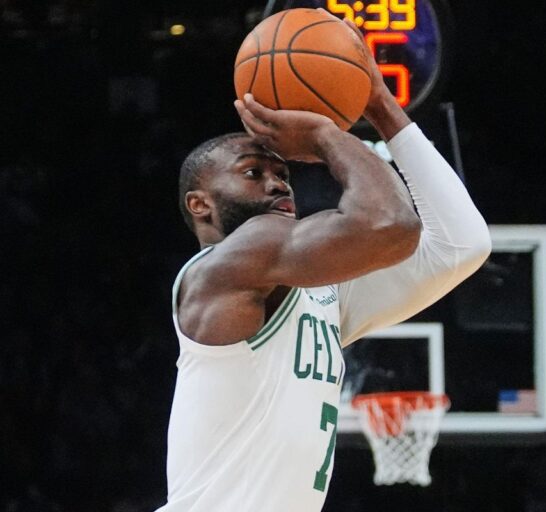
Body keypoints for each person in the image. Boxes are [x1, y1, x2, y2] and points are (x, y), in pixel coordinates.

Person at [156, 21, 491, 512]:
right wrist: (323, 133)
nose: (278, 183)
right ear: (200, 204)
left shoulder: (319, 295)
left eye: (282, 173)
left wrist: (382, 104)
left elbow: (462, 245)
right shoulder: (228, 267)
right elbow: (389, 222)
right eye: (252, 172)